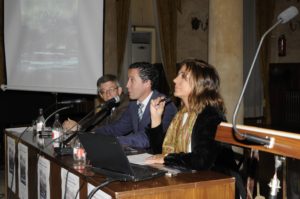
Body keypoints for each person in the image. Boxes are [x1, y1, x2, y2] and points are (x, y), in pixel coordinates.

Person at [145, 59, 245, 199]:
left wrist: (167, 158)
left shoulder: (210, 115)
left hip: (220, 186)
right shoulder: (181, 115)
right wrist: (156, 118)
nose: (174, 80)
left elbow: (202, 160)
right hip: (190, 179)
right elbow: (159, 153)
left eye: (183, 76)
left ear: (200, 83)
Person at [94, 62, 177, 149]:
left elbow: (146, 138)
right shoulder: (133, 104)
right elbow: (118, 128)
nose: (127, 85)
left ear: (147, 83)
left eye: (132, 80)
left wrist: (114, 141)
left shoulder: (164, 105)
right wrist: (92, 133)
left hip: (160, 158)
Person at [63, 74, 129, 131]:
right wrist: (75, 124)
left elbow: (113, 128)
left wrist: (78, 127)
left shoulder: (126, 104)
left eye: (111, 89)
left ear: (119, 90)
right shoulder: (107, 107)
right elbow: (93, 121)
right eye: (103, 91)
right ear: (101, 95)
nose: (108, 94)